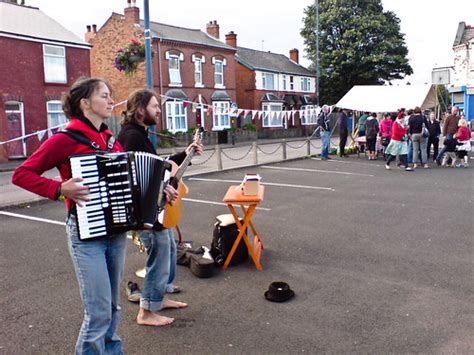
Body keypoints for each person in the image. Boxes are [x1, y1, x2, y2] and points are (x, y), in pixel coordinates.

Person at [12, 77, 128, 353]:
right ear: (84, 103)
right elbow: (21, 174)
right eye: (104, 95)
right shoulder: (65, 139)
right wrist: (59, 188)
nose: (112, 100)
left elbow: (130, 183)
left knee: (112, 306)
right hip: (86, 234)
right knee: (98, 311)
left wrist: (160, 193)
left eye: (111, 95)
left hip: (116, 231)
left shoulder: (113, 142)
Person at [117, 88, 203, 327]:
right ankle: (146, 311)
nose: (159, 110)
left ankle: (159, 297)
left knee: (169, 249)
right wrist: (162, 187)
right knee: (160, 251)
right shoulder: (131, 137)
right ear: (141, 110)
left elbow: (157, 166)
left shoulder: (140, 134)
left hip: (152, 206)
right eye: (155, 106)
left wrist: (185, 154)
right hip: (142, 210)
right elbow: (134, 176)